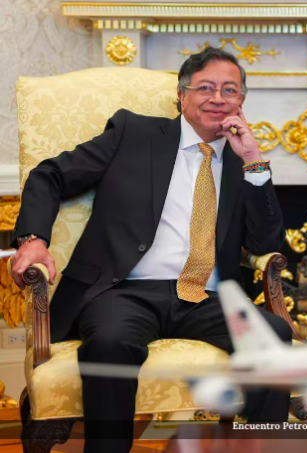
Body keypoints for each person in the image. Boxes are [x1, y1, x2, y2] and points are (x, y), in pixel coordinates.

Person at [10, 47, 292, 453]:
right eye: (206, 88)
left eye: (229, 90)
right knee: (109, 343)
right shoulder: (134, 134)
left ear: (241, 103)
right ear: (182, 95)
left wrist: (254, 161)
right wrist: (33, 239)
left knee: (274, 335)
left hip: (205, 298)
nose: (218, 98)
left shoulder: (242, 162)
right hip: (124, 291)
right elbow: (49, 175)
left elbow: (267, 245)